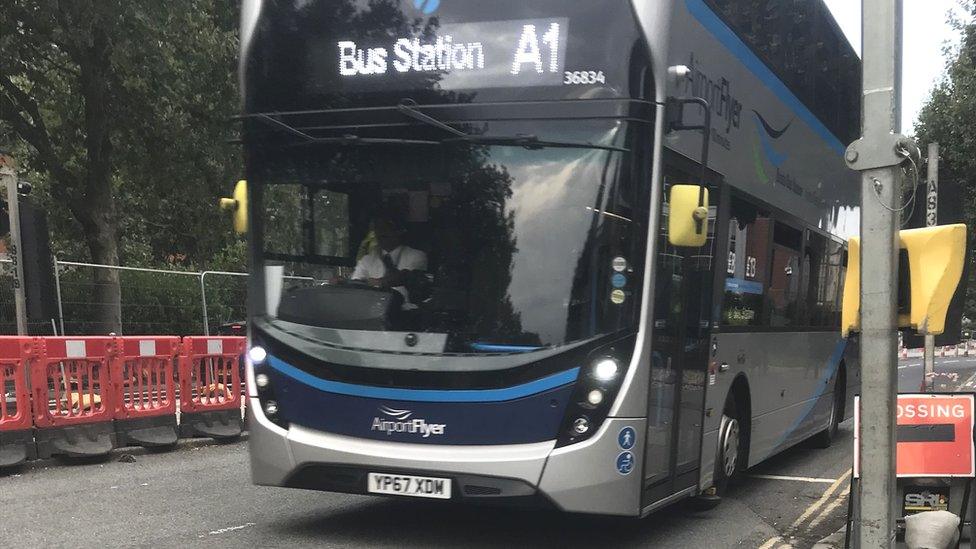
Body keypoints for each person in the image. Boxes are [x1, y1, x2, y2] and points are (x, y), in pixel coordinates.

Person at [351, 214, 427, 304]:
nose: (381, 232)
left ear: (399, 230)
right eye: (377, 228)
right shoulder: (367, 260)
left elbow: (400, 279)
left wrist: (373, 283)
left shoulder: (417, 256)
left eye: (386, 227)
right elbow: (355, 286)